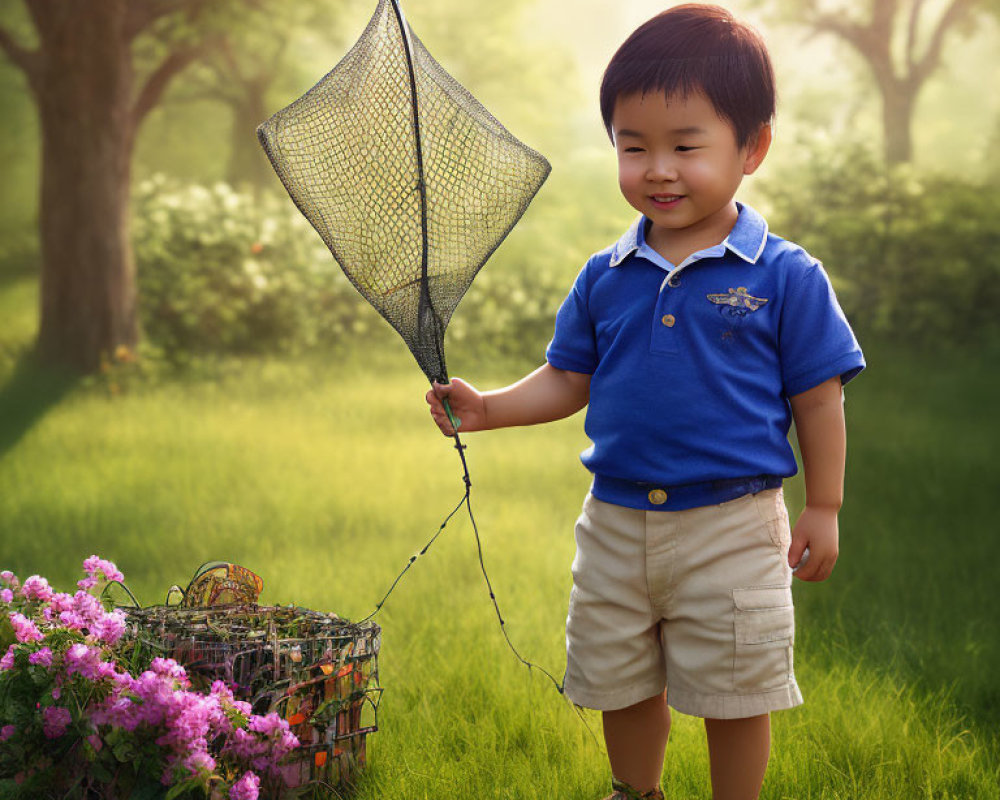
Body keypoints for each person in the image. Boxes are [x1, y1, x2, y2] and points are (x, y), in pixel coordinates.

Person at [426, 5, 865, 799]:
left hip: (731, 522)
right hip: (617, 520)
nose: (657, 168)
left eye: (685, 147)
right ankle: (636, 791)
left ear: (752, 147)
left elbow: (819, 396)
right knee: (620, 679)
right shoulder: (606, 273)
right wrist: (489, 406)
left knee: (737, 690)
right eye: (634, 148)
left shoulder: (785, 275)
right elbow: (570, 376)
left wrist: (824, 505)